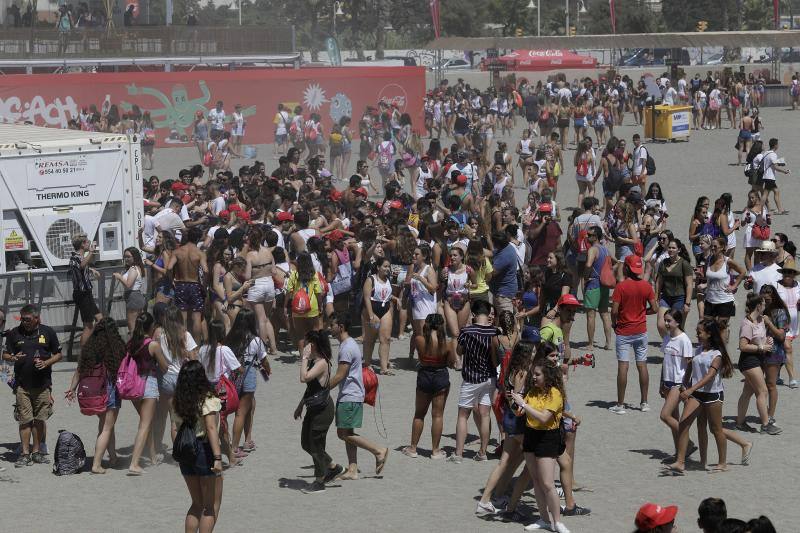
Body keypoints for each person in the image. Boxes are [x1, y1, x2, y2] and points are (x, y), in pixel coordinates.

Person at [667, 319, 752, 474]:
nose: (697, 335)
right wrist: (684, 384)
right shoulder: (698, 350)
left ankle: (722, 463)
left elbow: (710, 376)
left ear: (709, 334)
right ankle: (681, 462)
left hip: (713, 395)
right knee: (684, 424)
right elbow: (690, 369)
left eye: (699, 332)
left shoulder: (717, 354)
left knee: (716, 429)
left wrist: (690, 390)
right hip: (697, 395)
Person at [508, 360, 569, 533]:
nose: (533, 377)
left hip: (547, 437)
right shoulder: (532, 392)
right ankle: (543, 519)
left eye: (537, 374)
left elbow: (544, 418)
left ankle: (557, 522)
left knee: (547, 483)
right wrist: (513, 401)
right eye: (533, 374)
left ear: (547, 376)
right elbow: (518, 413)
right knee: (536, 480)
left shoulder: (555, 393)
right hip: (531, 435)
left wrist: (523, 404)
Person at [328, 313, 388, 479]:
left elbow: (340, 375)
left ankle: (378, 451)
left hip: (350, 396)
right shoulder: (349, 344)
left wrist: (322, 390)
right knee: (348, 432)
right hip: (351, 395)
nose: (329, 328)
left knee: (343, 434)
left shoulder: (347, 348)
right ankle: (352, 469)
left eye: (332, 325)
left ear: (341, 327)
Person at [3, 304, 62, 467]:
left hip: (43, 385)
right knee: (24, 420)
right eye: (22, 319)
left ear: (37, 318)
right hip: (22, 386)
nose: (24, 322)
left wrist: (46, 362)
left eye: (27, 319)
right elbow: (5, 354)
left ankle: (36, 452)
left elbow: (58, 354)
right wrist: (13, 358)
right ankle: (24, 454)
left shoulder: (48, 332)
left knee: (39, 419)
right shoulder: (14, 333)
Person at [65, 317, 126, 474]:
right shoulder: (117, 347)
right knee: (106, 428)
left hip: (92, 392)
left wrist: (72, 389)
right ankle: (96, 464)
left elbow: (79, 371)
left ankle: (113, 457)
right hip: (109, 391)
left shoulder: (89, 347)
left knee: (107, 425)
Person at [172, 360, 224, 533]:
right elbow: (211, 428)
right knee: (210, 506)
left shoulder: (177, 401)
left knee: (196, 504)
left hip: (185, 452)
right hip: (204, 450)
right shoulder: (207, 399)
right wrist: (217, 457)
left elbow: (174, 429)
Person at [450, 299, 498, 463]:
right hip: (489, 378)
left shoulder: (467, 331)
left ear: (473, 313)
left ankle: (458, 454)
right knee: (485, 415)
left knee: (463, 415)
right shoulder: (494, 332)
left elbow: (459, 351)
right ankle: (482, 452)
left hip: (471, 378)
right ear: (488, 313)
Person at [403, 313, 456, 460]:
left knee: (419, 414)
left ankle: (413, 448)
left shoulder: (419, 340)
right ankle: (435, 451)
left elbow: (420, 355)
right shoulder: (447, 344)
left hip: (424, 375)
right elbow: (452, 363)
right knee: (437, 415)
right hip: (440, 376)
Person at [295, 330, 342, 494]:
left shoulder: (321, 362)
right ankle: (333, 467)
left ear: (313, 344)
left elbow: (304, 378)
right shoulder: (315, 361)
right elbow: (312, 388)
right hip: (313, 407)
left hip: (323, 410)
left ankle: (319, 481)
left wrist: (304, 357)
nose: (304, 344)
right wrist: (300, 405)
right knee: (306, 443)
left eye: (307, 342)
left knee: (316, 446)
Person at [609, 255, 657, 415]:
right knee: (642, 365)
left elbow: (614, 311)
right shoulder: (646, 286)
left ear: (626, 268)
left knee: (623, 366)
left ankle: (620, 405)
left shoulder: (621, 287)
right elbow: (655, 308)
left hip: (624, 330)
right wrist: (643, 312)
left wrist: (614, 324)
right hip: (641, 330)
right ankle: (644, 402)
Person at [224, 308, 270, 461]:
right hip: (248, 377)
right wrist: (267, 371)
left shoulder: (230, 338)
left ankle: (246, 440)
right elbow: (264, 361)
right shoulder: (255, 340)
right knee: (241, 413)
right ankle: (235, 447)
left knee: (250, 405)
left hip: (233, 377)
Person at [734, 294, 782, 435]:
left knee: (747, 392)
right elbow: (743, 346)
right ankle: (766, 425)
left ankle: (740, 423)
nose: (765, 306)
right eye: (764, 304)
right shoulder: (747, 323)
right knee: (763, 391)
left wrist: (767, 341)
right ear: (758, 306)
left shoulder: (761, 320)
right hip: (749, 361)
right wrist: (761, 347)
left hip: (758, 360)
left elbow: (760, 339)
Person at [127, 312, 167, 475]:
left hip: (133, 385)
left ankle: (151, 455)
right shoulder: (152, 345)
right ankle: (134, 463)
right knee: (145, 424)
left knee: (146, 421)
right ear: (151, 327)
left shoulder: (131, 343)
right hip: (148, 384)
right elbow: (164, 367)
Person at [656, 309, 693, 459]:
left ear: (677, 322)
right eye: (665, 320)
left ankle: (688, 442)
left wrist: (685, 384)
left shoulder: (684, 340)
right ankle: (679, 452)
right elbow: (665, 362)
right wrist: (661, 382)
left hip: (678, 383)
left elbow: (690, 364)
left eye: (669, 320)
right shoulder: (667, 338)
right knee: (673, 418)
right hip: (667, 382)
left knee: (665, 415)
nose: (666, 323)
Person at [173, 227, 209, 343]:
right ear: (198, 239)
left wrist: (172, 280)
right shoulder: (200, 253)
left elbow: (169, 267)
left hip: (180, 285)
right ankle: (196, 346)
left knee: (182, 318)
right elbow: (206, 270)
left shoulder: (177, 251)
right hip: (194, 285)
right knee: (196, 317)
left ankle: (183, 345)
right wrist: (204, 285)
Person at [69, 233, 103, 347]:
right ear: (82, 245)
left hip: (87, 293)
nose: (89, 244)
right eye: (88, 242)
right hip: (82, 294)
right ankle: (84, 352)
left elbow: (82, 267)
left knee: (100, 319)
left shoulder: (80, 258)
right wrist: (91, 252)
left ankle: (94, 344)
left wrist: (92, 270)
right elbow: (82, 265)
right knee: (89, 326)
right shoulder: (75, 257)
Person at [583, 226, 613, 350]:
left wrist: (585, 277)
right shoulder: (605, 249)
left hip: (593, 283)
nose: (587, 237)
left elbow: (588, 264)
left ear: (596, 237)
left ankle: (590, 344)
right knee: (605, 314)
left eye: (590, 235)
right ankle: (608, 343)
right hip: (604, 284)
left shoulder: (592, 249)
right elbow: (615, 262)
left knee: (591, 315)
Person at [113, 247, 147, 335]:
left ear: (134, 257)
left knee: (132, 325)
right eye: (125, 257)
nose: (126, 259)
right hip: (136, 296)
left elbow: (128, 285)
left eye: (128, 257)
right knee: (138, 325)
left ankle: (134, 342)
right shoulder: (136, 267)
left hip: (133, 297)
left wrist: (120, 277)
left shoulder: (133, 269)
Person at [759, 138, 790, 215]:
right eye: (778, 144)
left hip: (766, 176)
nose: (778, 145)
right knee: (766, 194)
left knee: (775, 191)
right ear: (775, 145)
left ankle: (780, 209)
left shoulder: (766, 153)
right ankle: (759, 209)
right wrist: (784, 171)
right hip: (770, 177)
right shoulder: (773, 154)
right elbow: (775, 167)